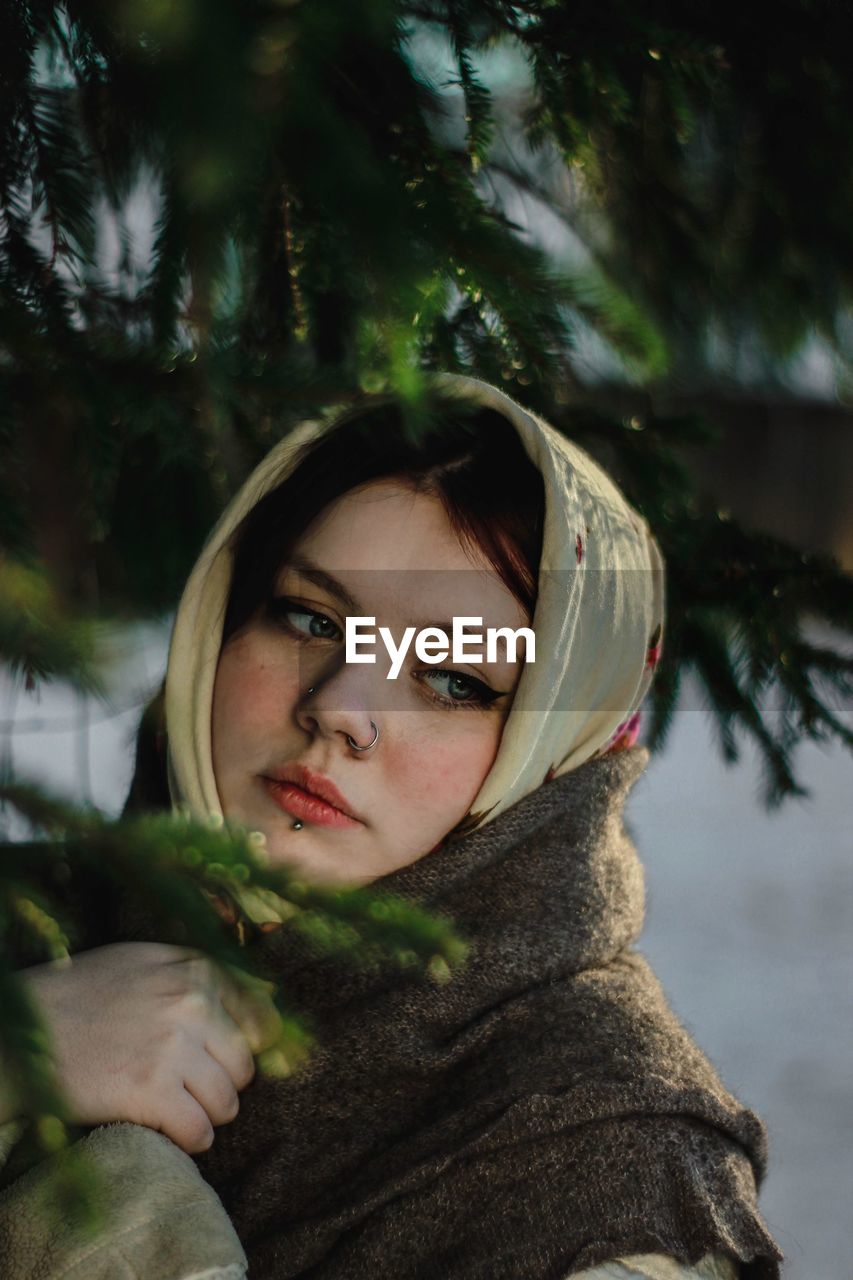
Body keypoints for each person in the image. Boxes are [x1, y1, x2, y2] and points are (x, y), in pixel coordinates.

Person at [0, 375, 784, 1279]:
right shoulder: (33, 920)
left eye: (453, 680)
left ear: (554, 752)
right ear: (222, 617)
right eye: (309, 617)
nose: (341, 709)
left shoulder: (610, 1167)